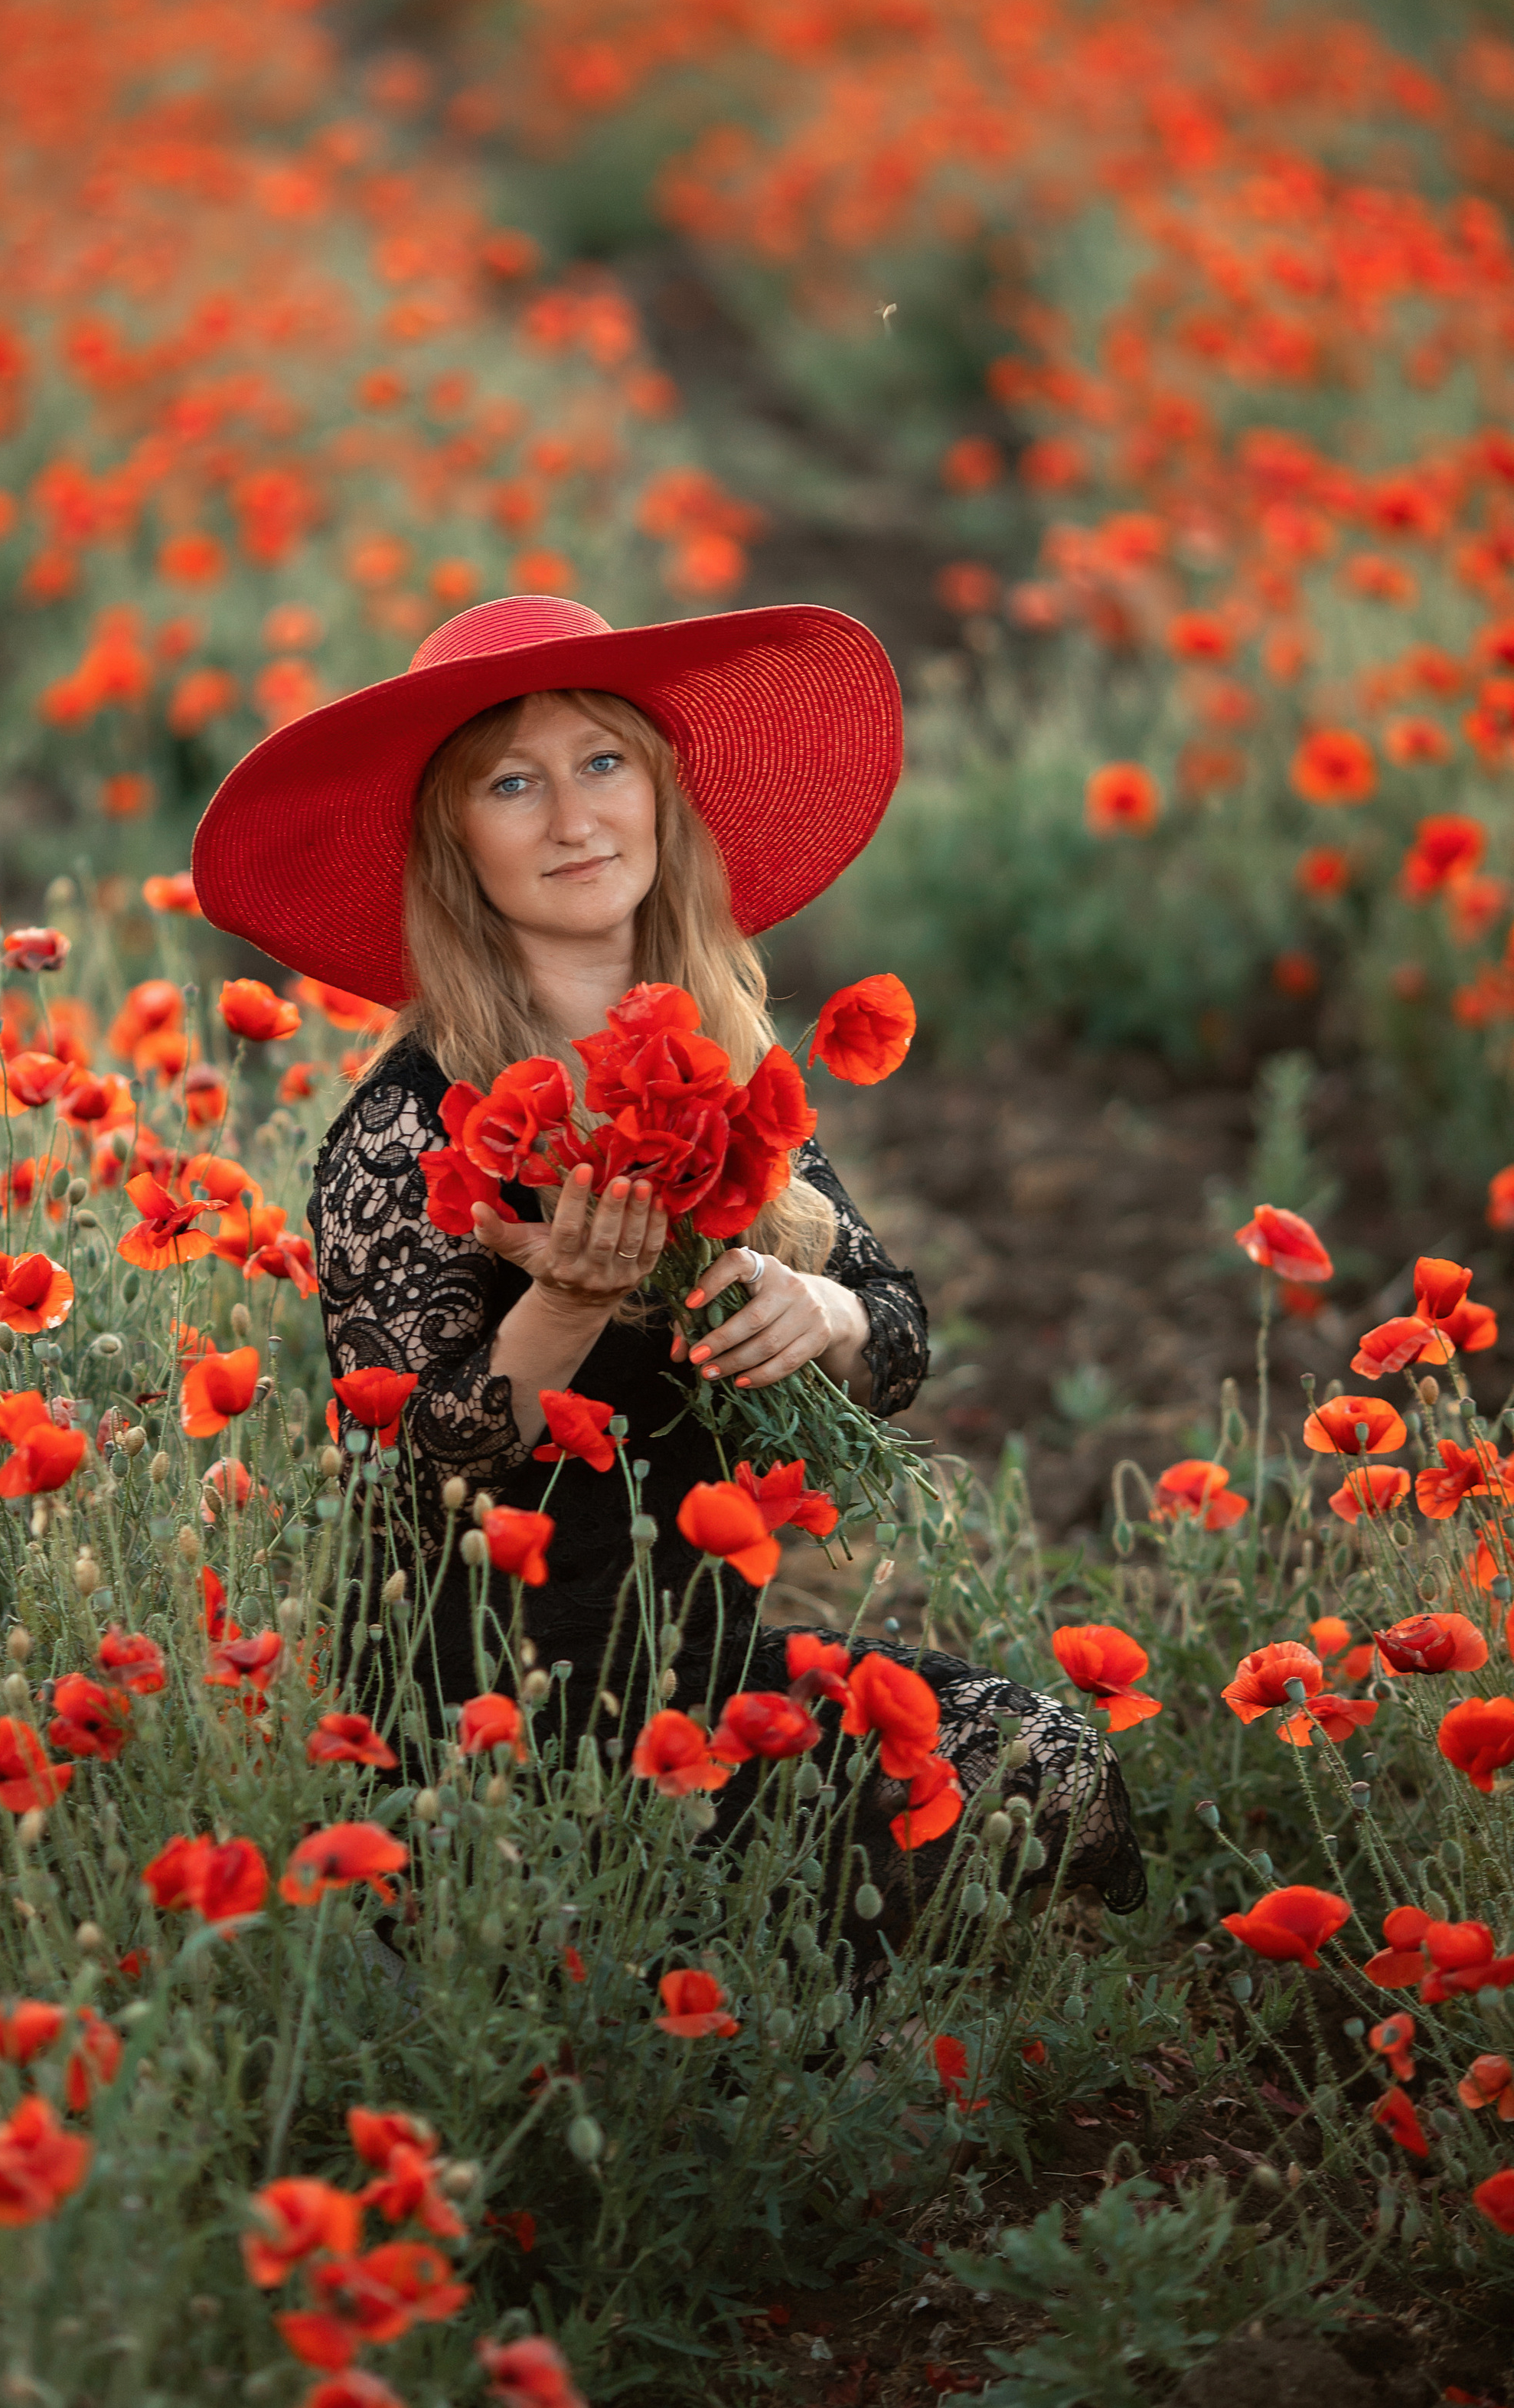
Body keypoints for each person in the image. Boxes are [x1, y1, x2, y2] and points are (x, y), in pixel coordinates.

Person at [194, 594, 1144, 1949]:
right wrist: (567, 1304)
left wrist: (817, 1311)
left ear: (659, 794)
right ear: (456, 846)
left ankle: (756, 1994)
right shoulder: (409, 1126)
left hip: (702, 1664)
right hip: (487, 1718)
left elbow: (897, 1334)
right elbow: (415, 1461)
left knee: (1046, 1760)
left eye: (602, 763)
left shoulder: (721, 1071)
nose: (573, 818)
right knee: (623, 1940)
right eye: (511, 784)